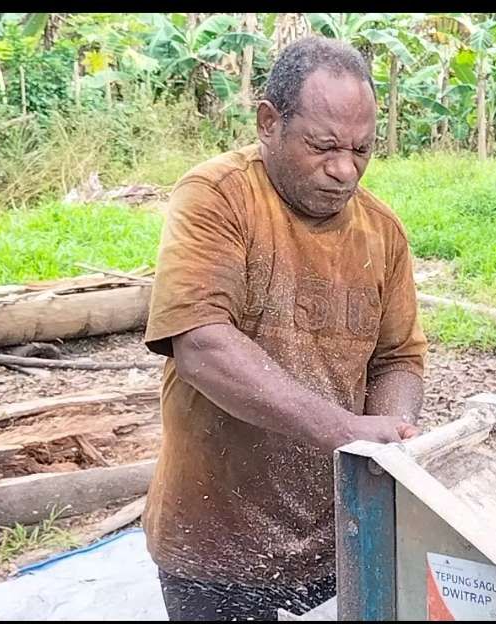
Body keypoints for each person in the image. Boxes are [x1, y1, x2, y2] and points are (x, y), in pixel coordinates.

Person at [141, 36, 428, 621]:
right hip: (216, 544)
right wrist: (347, 429)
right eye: (322, 146)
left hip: (341, 535)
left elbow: (398, 358)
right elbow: (201, 346)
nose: (344, 170)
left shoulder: (382, 232)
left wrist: (392, 435)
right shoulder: (218, 197)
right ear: (268, 122)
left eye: (362, 149)